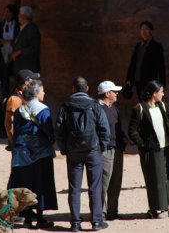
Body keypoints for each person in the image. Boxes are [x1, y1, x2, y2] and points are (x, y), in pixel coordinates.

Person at [55, 77, 110, 232]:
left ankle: (75, 223)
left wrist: (64, 148)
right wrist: (101, 147)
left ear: (73, 89)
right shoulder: (94, 105)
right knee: (95, 187)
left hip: (73, 152)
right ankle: (97, 222)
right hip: (93, 151)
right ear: (87, 89)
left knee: (74, 188)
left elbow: (59, 130)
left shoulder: (65, 106)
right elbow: (104, 129)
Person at [7, 79, 57, 228]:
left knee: (26, 184)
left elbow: (15, 132)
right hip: (41, 153)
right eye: (42, 90)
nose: (44, 92)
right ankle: (40, 218)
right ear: (36, 93)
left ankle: (27, 218)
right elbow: (49, 131)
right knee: (42, 183)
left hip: (22, 154)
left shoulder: (19, 111)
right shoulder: (43, 109)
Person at [128, 81, 169, 219]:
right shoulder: (139, 108)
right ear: (154, 93)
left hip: (166, 148)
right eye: (161, 91)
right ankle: (158, 208)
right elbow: (132, 131)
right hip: (152, 151)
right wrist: (144, 145)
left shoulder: (162, 105)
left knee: (168, 177)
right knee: (155, 180)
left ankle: (167, 206)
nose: (163, 94)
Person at [97, 80, 128, 221]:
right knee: (104, 181)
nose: (116, 94)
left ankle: (112, 211)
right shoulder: (97, 108)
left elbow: (119, 128)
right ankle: (101, 212)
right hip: (105, 150)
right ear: (107, 93)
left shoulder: (114, 109)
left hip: (117, 149)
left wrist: (124, 141)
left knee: (116, 181)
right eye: (114, 92)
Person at [126, 21, 166, 100]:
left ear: (151, 31)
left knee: (149, 103)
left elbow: (161, 66)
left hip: (150, 81)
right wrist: (129, 79)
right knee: (141, 102)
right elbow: (133, 63)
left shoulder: (156, 46)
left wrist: (162, 84)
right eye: (141, 29)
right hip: (137, 80)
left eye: (146, 29)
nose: (143, 32)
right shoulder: (138, 46)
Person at [4, 69, 40, 150]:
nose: (35, 82)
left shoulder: (26, 96)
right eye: (32, 80)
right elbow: (8, 124)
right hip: (21, 143)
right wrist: (15, 142)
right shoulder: (15, 99)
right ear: (26, 83)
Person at [9, 6, 41, 75]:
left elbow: (34, 48)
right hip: (21, 68)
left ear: (25, 15)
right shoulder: (23, 28)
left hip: (28, 68)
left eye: (19, 14)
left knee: (29, 86)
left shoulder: (32, 29)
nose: (18, 16)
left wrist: (19, 52)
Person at [0, 4, 20, 96]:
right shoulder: (1, 25)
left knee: (14, 76)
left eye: (8, 12)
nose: (6, 14)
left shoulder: (17, 25)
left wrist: (7, 41)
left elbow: (18, 39)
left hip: (14, 54)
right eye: (5, 11)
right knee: (4, 77)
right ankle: (6, 97)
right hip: (3, 54)